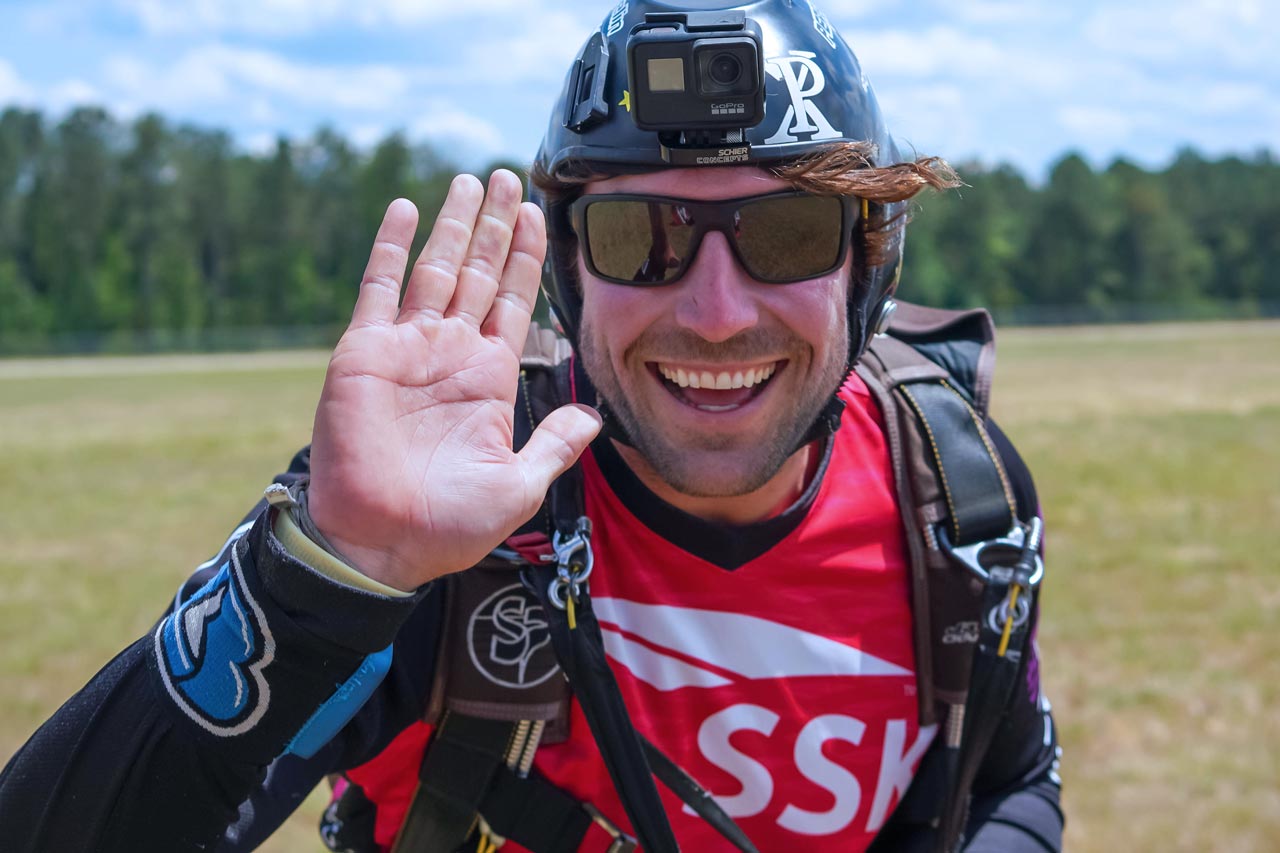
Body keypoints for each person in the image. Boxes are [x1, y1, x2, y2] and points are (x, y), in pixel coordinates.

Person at [0, 1, 1063, 850]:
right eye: (639, 236)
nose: (715, 311)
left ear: (866, 264)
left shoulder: (958, 494)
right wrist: (333, 573)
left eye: (785, 233)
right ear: (564, 273)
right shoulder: (446, 518)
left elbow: (1009, 781)